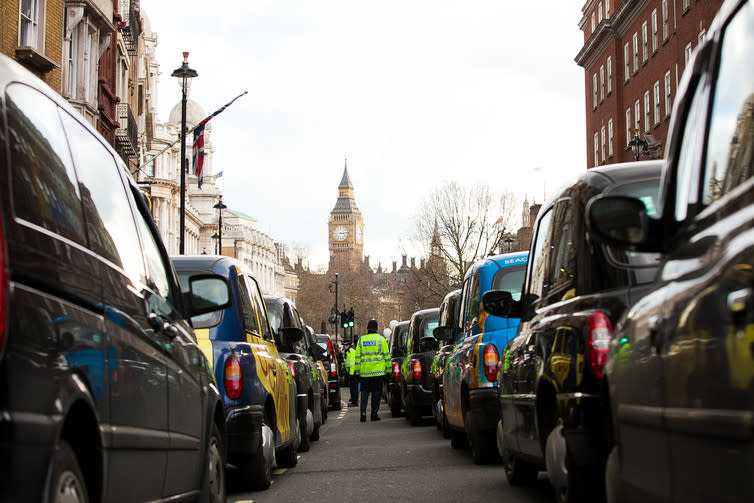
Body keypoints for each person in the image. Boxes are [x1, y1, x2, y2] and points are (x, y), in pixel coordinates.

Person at [354, 319, 390, 422]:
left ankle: (363, 414)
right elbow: (387, 356)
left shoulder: (361, 340)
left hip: (364, 373)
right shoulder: (381, 339)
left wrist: (357, 372)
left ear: (367, 328)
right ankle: (374, 414)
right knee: (376, 394)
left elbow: (357, 358)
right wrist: (388, 371)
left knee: (364, 393)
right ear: (376, 328)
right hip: (378, 373)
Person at [344, 341, 358, 406]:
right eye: (344, 345)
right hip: (350, 372)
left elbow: (352, 364)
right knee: (352, 388)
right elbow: (347, 363)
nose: (344, 347)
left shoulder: (351, 351)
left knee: (354, 388)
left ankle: (355, 402)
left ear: (349, 346)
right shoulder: (347, 352)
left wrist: (351, 374)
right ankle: (353, 400)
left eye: (346, 345)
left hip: (353, 372)